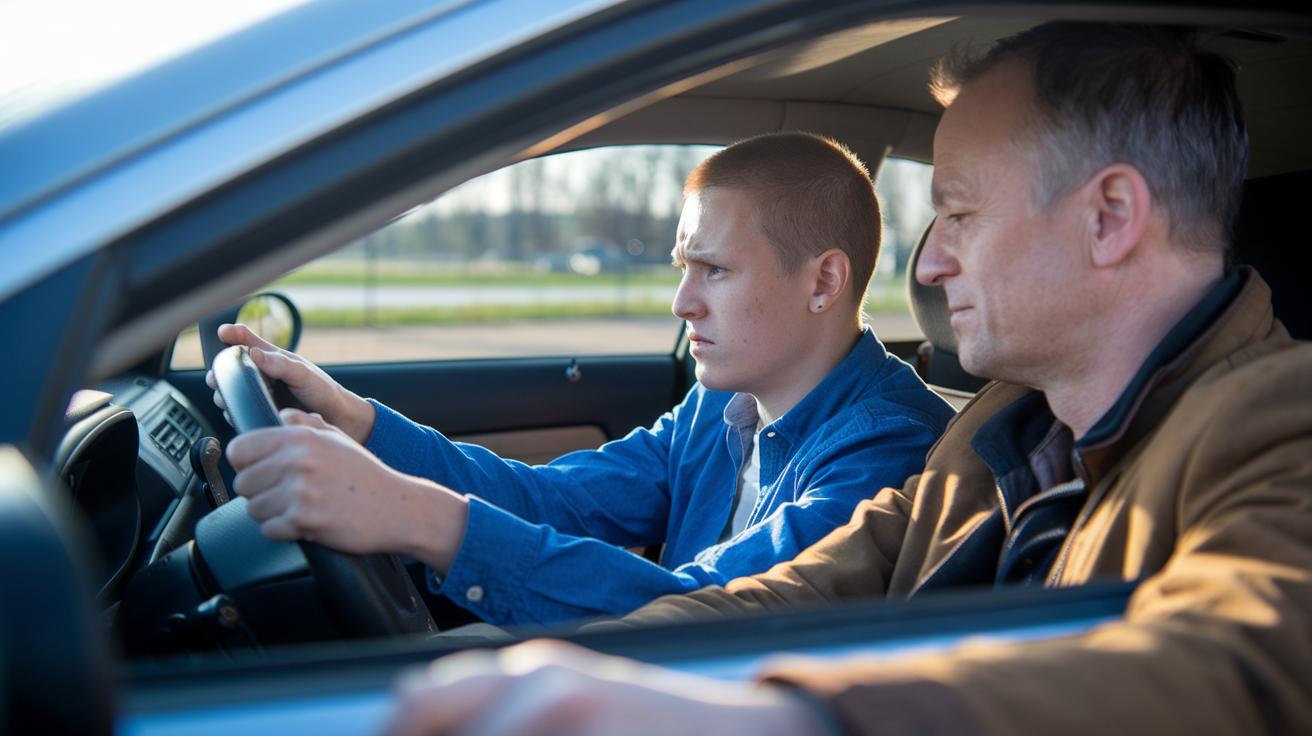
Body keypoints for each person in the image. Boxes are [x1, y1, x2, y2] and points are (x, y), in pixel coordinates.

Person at [385, 22, 1312, 735]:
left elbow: (1246, 663)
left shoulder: (1284, 419)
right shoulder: (1001, 430)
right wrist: (561, 662)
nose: (932, 266)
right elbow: (799, 593)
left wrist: (791, 718)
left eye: (956, 213)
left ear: (1109, 216)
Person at [214, 132, 954, 627]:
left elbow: (703, 611)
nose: (681, 302)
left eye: (715, 270)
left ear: (824, 281)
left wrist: (415, 517)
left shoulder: (887, 450)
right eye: (682, 268)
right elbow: (556, 499)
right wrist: (360, 424)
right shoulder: (720, 406)